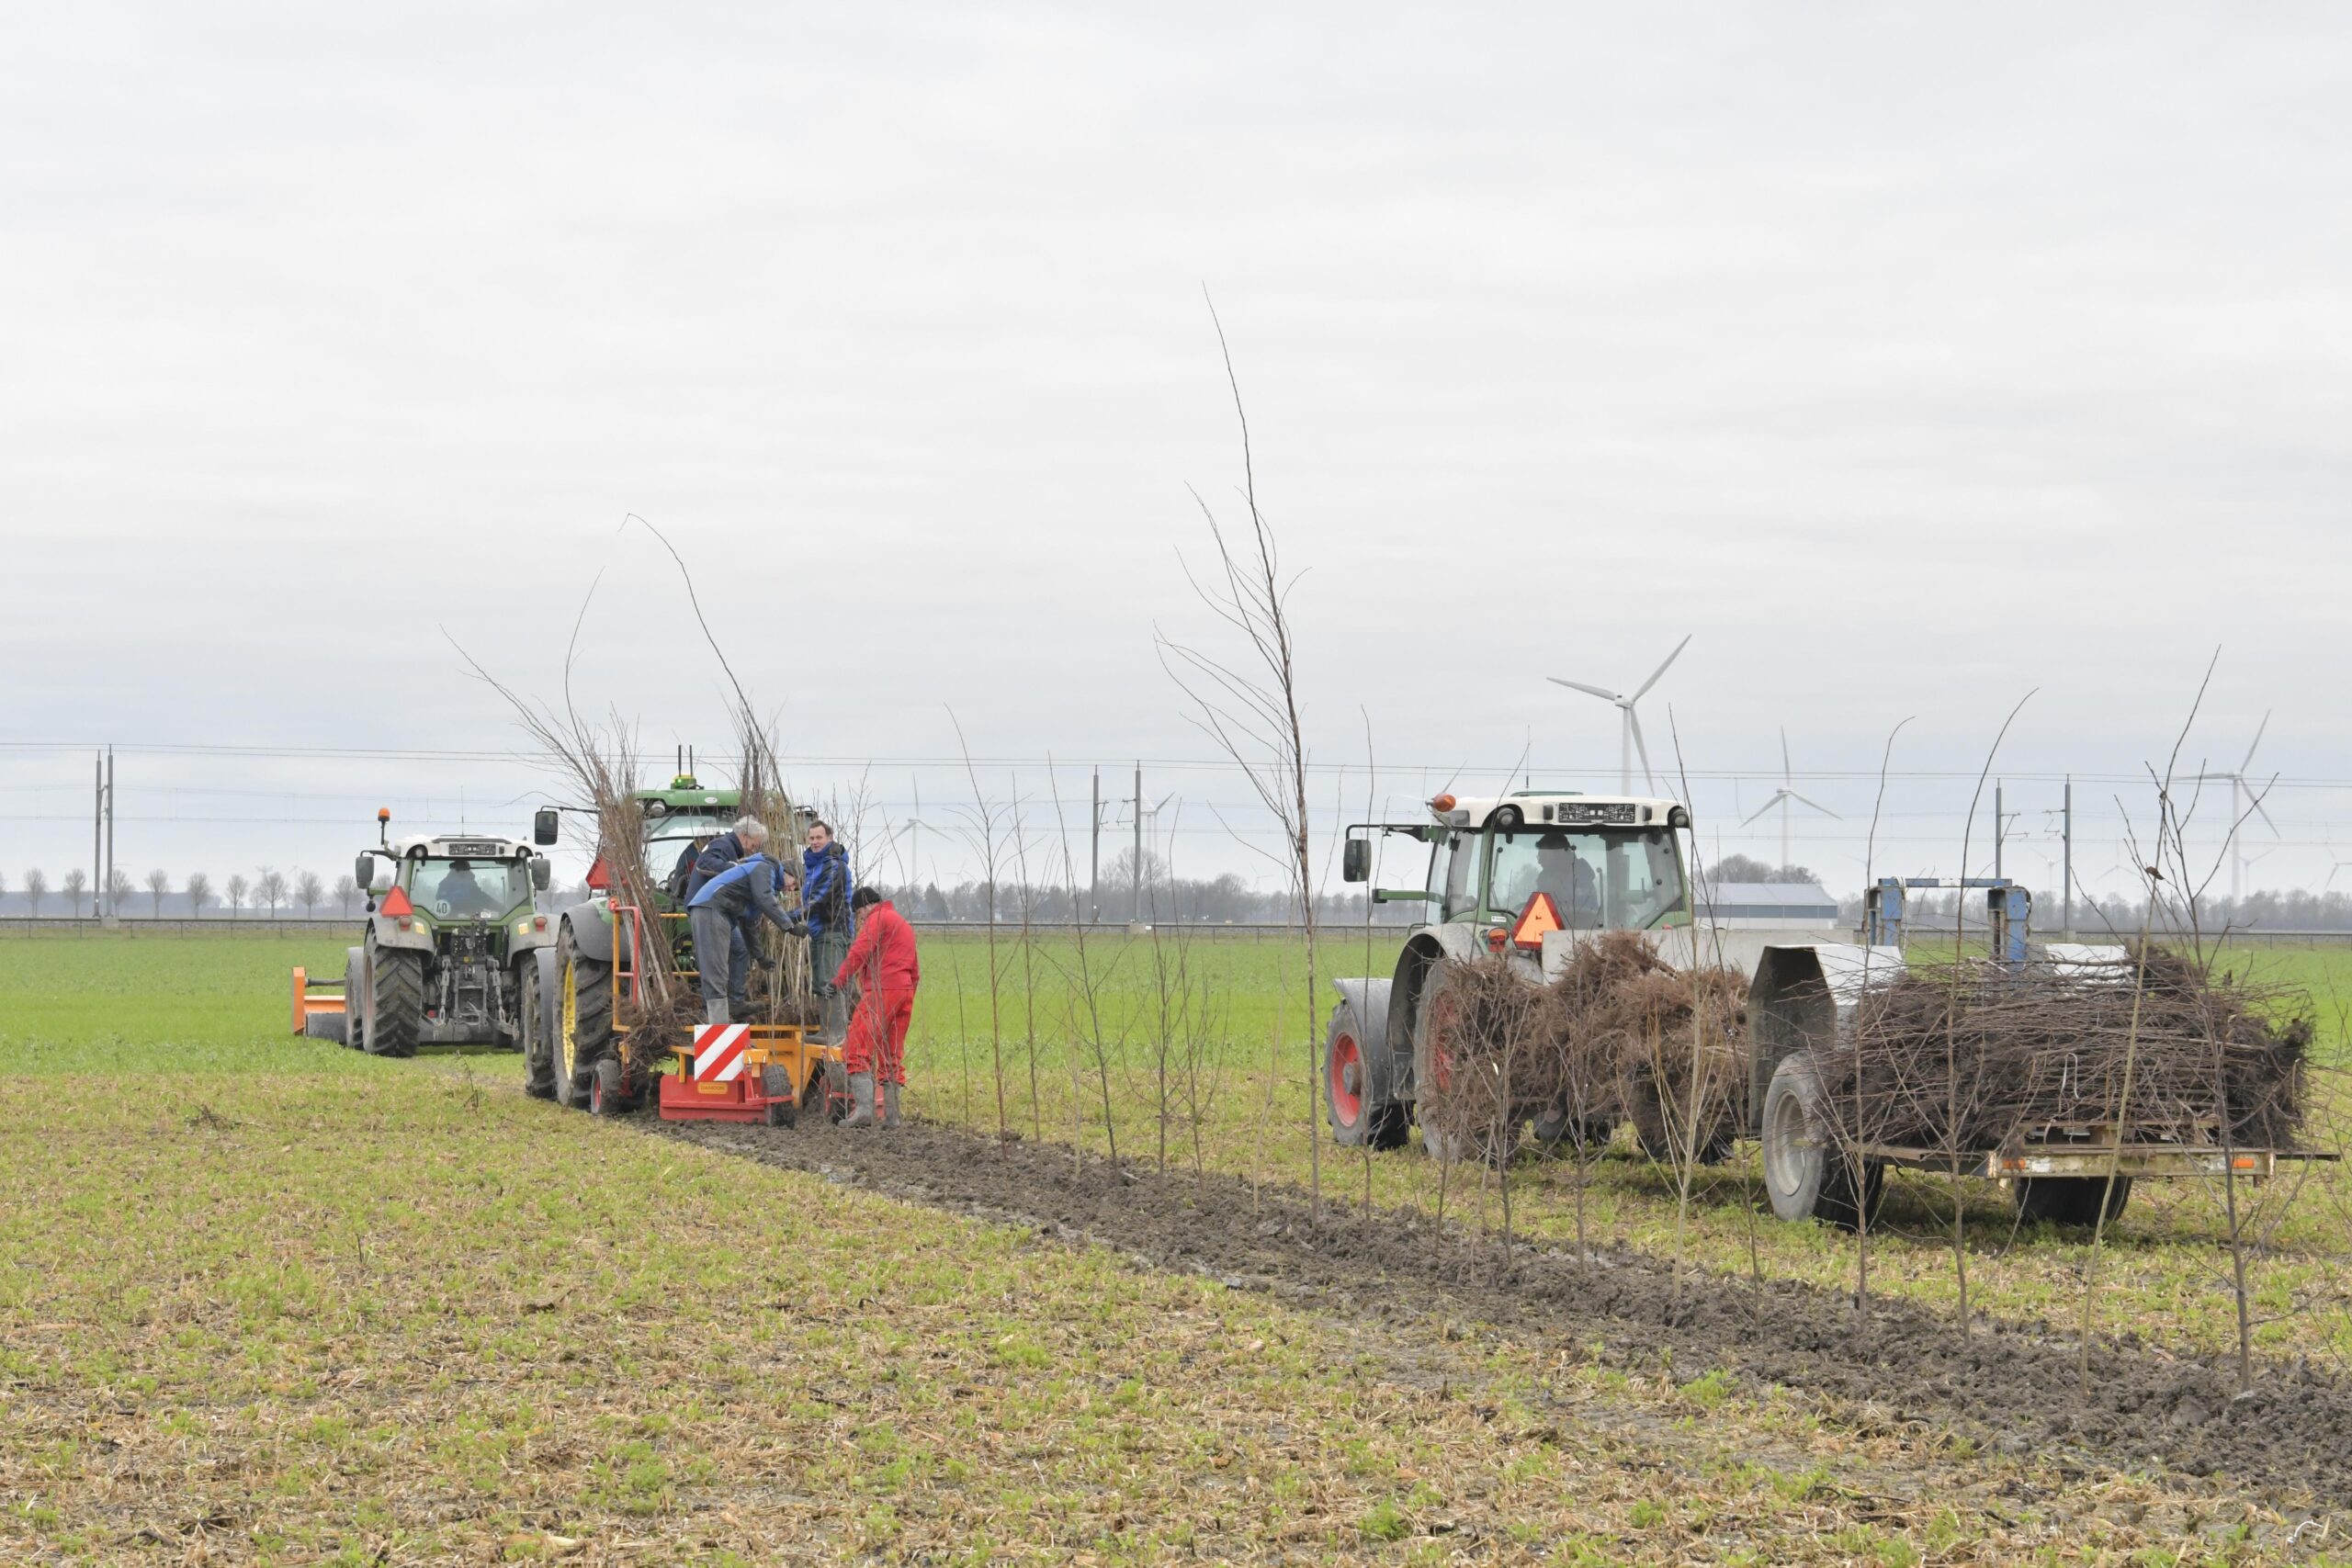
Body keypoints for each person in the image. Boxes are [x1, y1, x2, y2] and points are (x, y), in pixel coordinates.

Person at [684, 818, 800, 1023]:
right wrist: (789, 926)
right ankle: (715, 1022)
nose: (791, 889)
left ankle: (736, 1002)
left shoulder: (757, 879)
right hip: (709, 908)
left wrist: (760, 956)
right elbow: (766, 900)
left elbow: (750, 925)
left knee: (740, 948)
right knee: (716, 968)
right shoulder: (749, 860)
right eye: (794, 884)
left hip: (722, 910)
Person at [831, 886, 919, 1128]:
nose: (861, 919)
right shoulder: (903, 924)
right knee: (891, 1055)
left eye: (859, 915)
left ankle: (864, 1112)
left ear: (864, 906)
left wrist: (839, 980)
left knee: (856, 1047)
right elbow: (916, 970)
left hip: (882, 989)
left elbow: (860, 951)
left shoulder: (876, 918)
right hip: (905, 991)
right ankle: (892, 1118)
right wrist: (906, 996)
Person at [799, 820, 854, 1042]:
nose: (814, 842)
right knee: (821, 980)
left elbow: (820, 898)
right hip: (820, 930)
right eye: (811, 838)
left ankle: (837, 1033)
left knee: (831, 980)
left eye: (819, 838)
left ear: (829, 838)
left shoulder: (834, 865)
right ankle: (826, 1030)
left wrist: (793, 916)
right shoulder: (814, 866)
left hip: (833, 929)